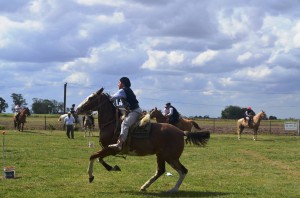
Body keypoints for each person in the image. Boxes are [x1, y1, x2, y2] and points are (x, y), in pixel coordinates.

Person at [108, 77, 143, 151]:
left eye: (119, 82)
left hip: (135, 111)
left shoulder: (122, 91)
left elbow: (111, 98)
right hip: (134, 110)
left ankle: (119, 144)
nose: (118, 84)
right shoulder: (127, 90)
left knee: (125, 124)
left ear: (122, 83)